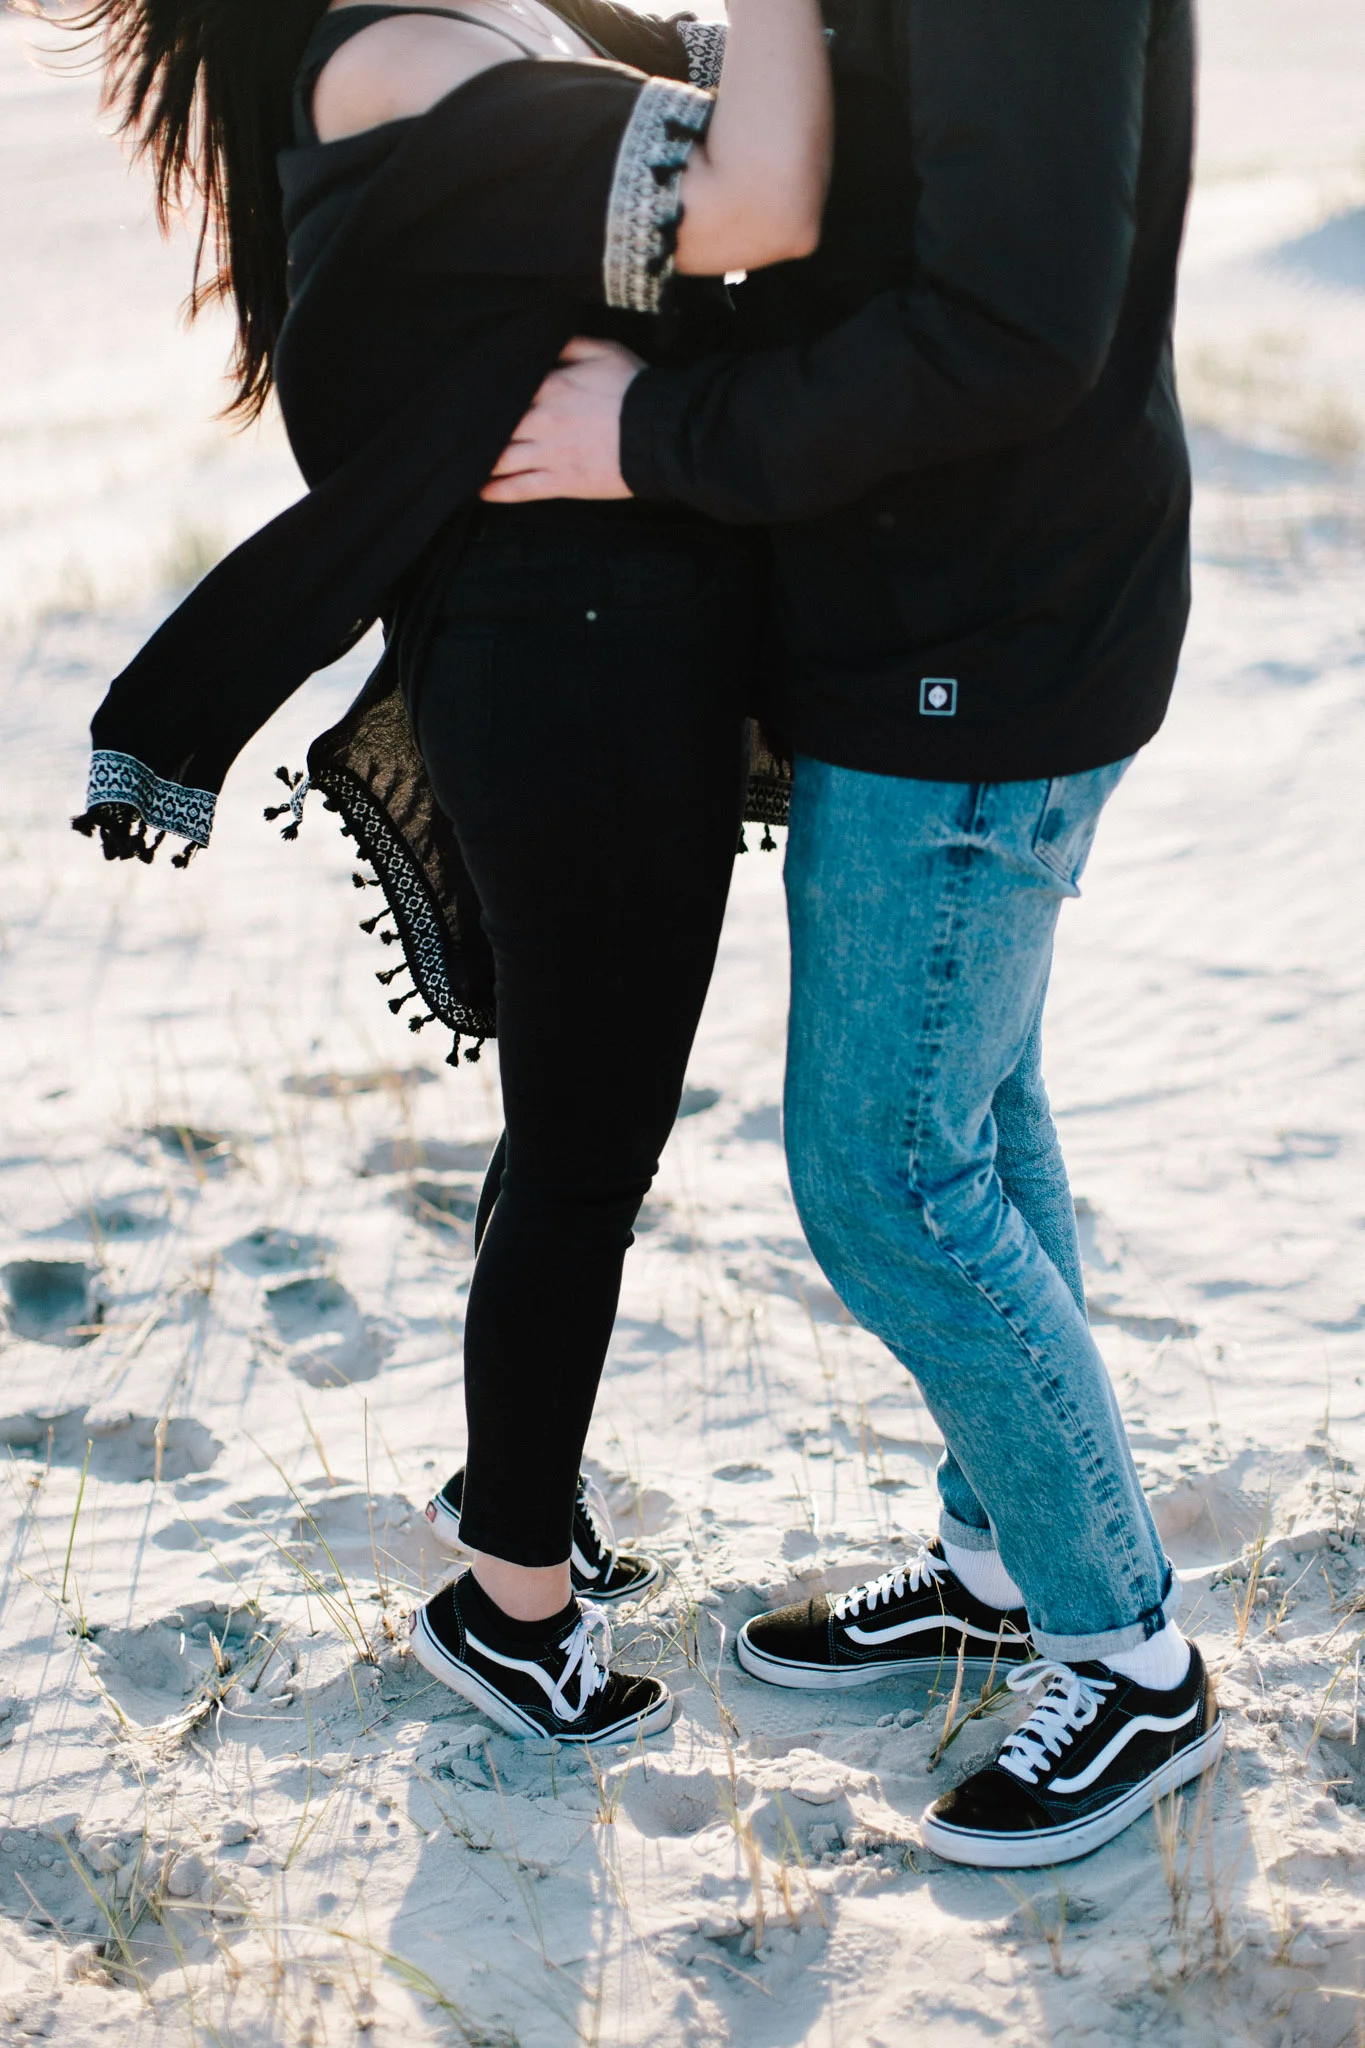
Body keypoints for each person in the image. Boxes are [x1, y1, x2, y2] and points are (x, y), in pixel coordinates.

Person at [477, 0, 1225, 1864]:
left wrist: (654, 433)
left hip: (992, 629)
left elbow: (1014, 326)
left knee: (886, 1179)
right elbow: (863, 127)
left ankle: (1127, 1656)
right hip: (943, 608)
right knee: (974, 1114)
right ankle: (1004, 1567)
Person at [73, 0, 833, 1747]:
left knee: (568, 1127)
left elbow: (745, 99)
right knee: (586, 1153)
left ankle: (515, 1497)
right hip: (566, 673)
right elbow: (768, 194)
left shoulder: (504, 18)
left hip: (606, 655)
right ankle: (510, 1611)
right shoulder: (404, 63)